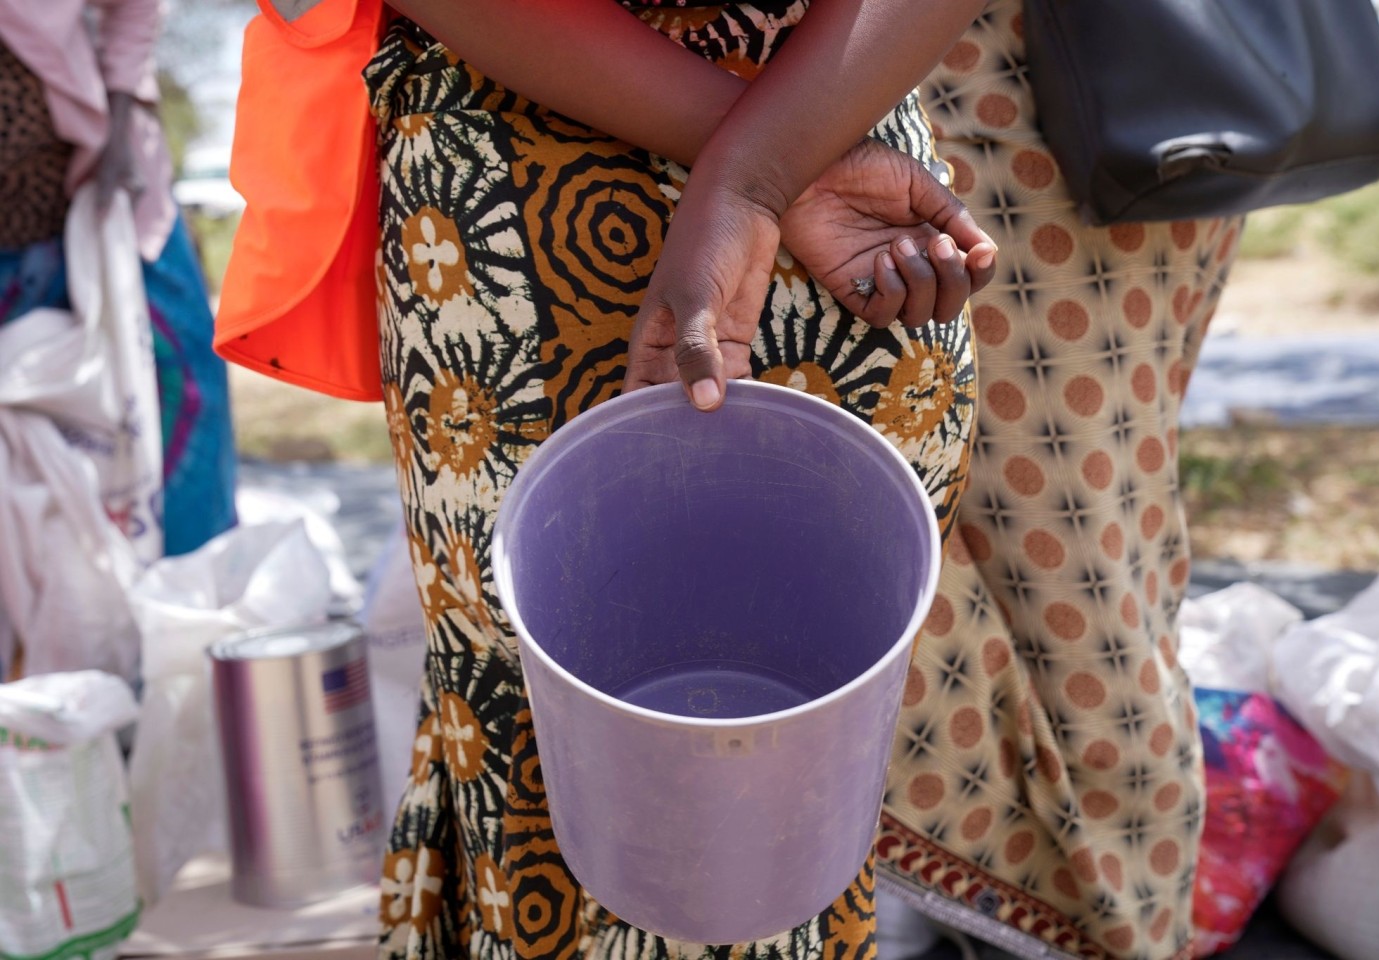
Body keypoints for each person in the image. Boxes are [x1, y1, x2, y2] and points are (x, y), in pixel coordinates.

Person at [219, 0, 997, 956]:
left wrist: (756, 177)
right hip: (846, 178)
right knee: (781, 805)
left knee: (592, 768)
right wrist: (760, 174)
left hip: (531, 214)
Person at [874, 4, 1245, 959]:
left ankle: (1113, 923)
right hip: (1098, 110)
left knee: (1082, 591)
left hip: (1033, 135)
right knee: (1080, 561)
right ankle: (1083, 907)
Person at [0, 0, 238, 560]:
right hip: (14, 231)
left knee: (183, 384)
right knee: (28, 433)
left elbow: (133, 9)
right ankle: (61, 620)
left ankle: (190, 596)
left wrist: (118, 131)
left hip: (104, 182)